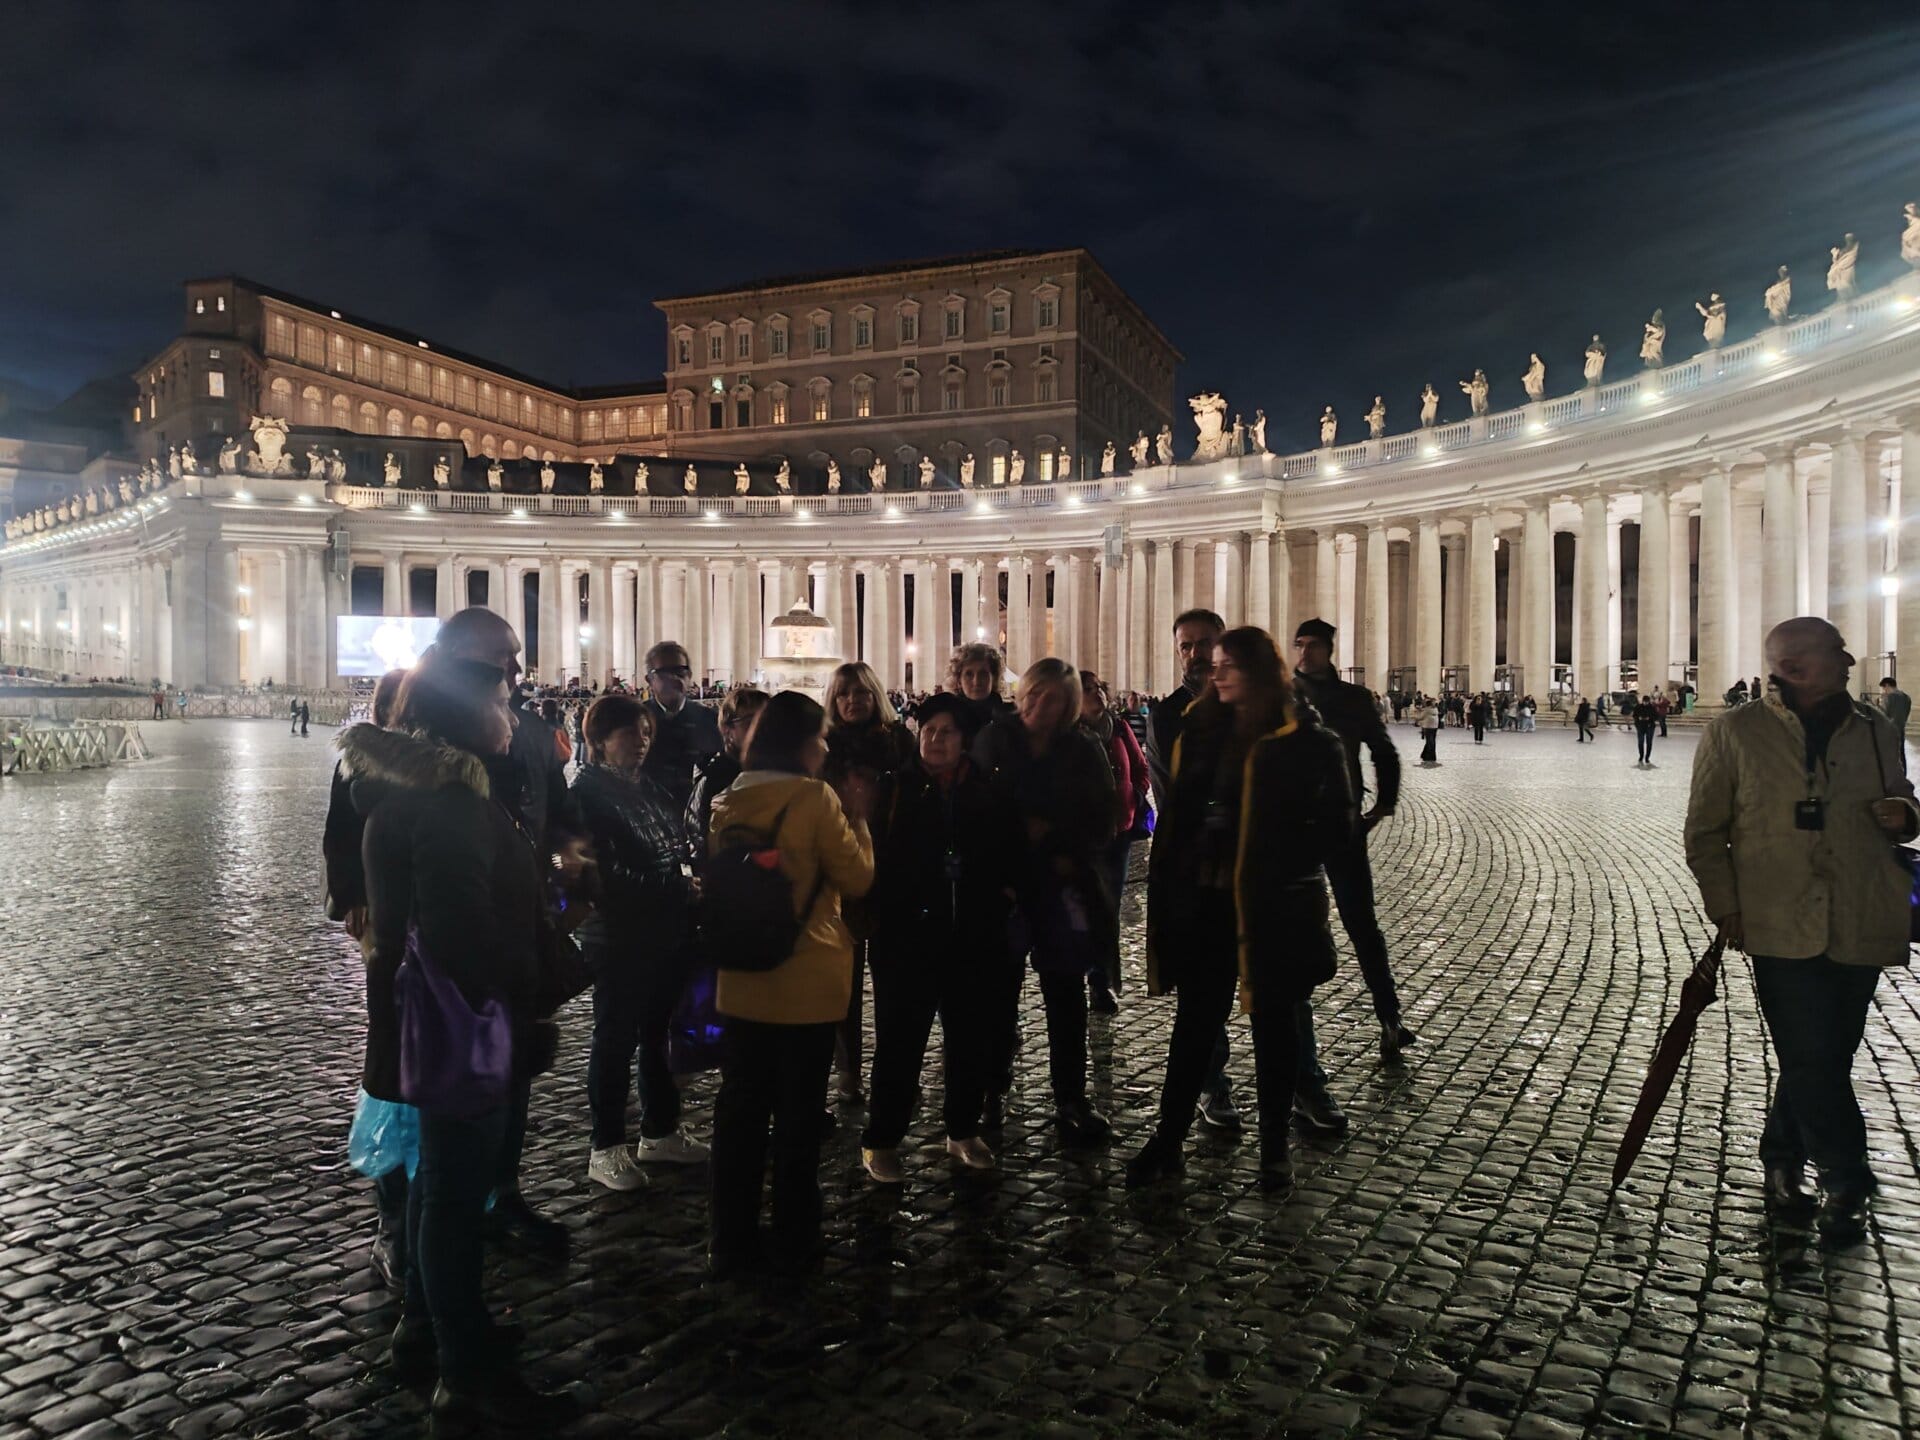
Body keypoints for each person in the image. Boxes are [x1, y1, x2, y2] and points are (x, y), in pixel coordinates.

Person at [343, 650, 582, 1427]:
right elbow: (465, 940)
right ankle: (465, 1374)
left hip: (430, 1022)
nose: (512, 716)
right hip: (462, 1027)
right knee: (452, 1199)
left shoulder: (424, 797)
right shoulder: (451, 810)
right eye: (502, 702)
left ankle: (430, 1329)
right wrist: (535, 997)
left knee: (436, 1191)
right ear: (464, 715)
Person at [1684, 617, 1917, 1244]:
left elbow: (1904, 797)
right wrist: (1726, 907)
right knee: (1812, 1053)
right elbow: (1704, 833)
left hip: (1860, 911)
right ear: (1793, 666)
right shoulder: (1735, 732)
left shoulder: (1876, 728)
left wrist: (1905, 814)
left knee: (1823, 1054)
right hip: (1777, 916)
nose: (1849, 659)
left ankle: (1782, 1160)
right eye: (1835, 651)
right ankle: (1846, 1177)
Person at [1129, 627, 1355, 1192]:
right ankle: (1168, 1138)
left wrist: (1272, 846)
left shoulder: (1307, 741)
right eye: (1215, 665)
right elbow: (1178, 817)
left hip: (1271, 905)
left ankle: (1274, 1147)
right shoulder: (1200, 730)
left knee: (1275, 1027)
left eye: (1228, 664)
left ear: (1257, 671)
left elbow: (1336, 828)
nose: (1217, 673)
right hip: (1207, 902)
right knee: (1194, 1025)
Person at [432, 610, 587, 1253]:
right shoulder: (415, 736)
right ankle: (410, 1224)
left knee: (513, 1075)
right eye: (504, 657)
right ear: (460, 658)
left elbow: (560, 815)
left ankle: (503, 1190)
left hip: (522, 929)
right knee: (434, 1089)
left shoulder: (532, 732)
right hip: (445, 942)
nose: (518, 670)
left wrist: (572, 863)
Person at [707, 692, 875, 1277]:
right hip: (806, 980)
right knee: (798, 1117)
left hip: (742, 976)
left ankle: (730, 1238)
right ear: (803, 743)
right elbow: (857, 876)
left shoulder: (728, 798)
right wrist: (859, 818)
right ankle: (795, 1234)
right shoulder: (813, 797)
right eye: (821, 737)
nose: (825, 748)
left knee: (741, 1112)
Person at [860, 693, 1020, 1183]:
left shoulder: (986, 792)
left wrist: (1001, 899)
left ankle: (963, 1129)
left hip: (971, 935)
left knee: (969, 1038)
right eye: (929, 730)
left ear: (964, 740)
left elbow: (1007, 855)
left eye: (946, 731)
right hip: (906, 938)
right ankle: (881, 1139)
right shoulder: (894, 789)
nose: (935, 739)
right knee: (899, 1043)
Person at [974, 658, 1117, 1145]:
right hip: (1007, 886)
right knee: (998, 994)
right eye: (1033, 693)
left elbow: (1104, 816)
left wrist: (1053, 836)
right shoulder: (994, 739)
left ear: (1069, 705)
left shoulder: (1084, 747)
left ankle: (1071, 1097)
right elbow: (978, 812)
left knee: (1066, 993)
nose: (1038, 704)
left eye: (1051, 698)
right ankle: (991, 1089)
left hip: (1061, 881)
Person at [572, 695, 706, 1190]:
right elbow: (604, 875)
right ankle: (606, 1146)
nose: (641, 742)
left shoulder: (645, 786)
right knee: (615, 1039)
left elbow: (674, 841)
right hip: (618, 936)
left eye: (646, 733)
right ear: (599, 740)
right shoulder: (587, 795)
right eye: (630, 733)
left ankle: (660, 1130)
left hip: (663, 929)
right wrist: (676, 888)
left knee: (658, 1033)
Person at [1291, 617, 1415, 1067]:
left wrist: (1383, 807)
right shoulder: (1282, 694)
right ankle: (1297, 1037)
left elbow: (1384, 752)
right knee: (1294, 927)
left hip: (1341, 823)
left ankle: (1390, 1016)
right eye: (1299, 644)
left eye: (1313, 645)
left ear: (1329, 650)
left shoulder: (1354, 698)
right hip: (1292, 827)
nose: (1304, 652)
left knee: (1361, 922)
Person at [322, 668, 408, 1289]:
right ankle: (392, 1213)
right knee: (391, 1056)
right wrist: (351, 895)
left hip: (427, 923)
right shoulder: (359, 760)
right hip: (381, 919)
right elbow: (339, 835)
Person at [1144, 608, 1242, 1131]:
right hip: (1194, 868)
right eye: (1186, 645)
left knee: (1276, 983)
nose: (1195, 653)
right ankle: (1210, 1082)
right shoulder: (1167, 715)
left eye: (1204, 643)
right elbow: (1172, 795)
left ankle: (1303, 1081)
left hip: (1247, 864)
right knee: (1201, 988)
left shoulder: (1244, 705)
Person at [822, 661, 916, 1104]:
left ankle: (892, 1068)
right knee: (844, 979)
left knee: (893, 979)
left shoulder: (900, 741)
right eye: (844, 694)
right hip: (843, 869)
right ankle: (849, 1070)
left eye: (860, 692)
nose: (852, 701)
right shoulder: (825, 747)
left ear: (874, 695)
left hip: (893, 867)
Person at [1079, 670, 1150, 1014]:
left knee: (1109, 909)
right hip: (1085, 837)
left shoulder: (1118, 727)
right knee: (1089, 908)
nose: (1097, 693)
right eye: (1088, 689)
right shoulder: (1069, 734)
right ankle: (1086, 973)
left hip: (1120, 832)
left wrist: (1133, 795)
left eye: (1098, 688)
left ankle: (1101, 981)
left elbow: (1141, 767)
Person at [639, 641, 723, 815]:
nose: (674, 679)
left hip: (698, 813)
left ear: (689, 676)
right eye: (664, 673)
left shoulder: (710, 719)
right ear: (649, 680)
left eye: (680, 671)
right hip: (648, 812)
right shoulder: (636, 719)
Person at [688, 687, 770, 847]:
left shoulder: (775, 771)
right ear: (727, 729)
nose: (762, 730)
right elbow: (700, 838)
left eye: (768, 721)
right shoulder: (714, 779)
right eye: (750, 723)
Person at [947, 642, 1014, 741]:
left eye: (983, 674)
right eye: (969, 674)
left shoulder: (1010, 719)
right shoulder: (947, 720)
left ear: (994, 678)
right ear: (959, 680)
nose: (976, 681)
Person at [1631, 692, 1659, 766]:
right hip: (1640, 726)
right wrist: (1638, 720)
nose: (1645, 703)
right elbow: (1634, 715)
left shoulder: (1652, 708)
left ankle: (1647, 757)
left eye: (1647, 702)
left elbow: (1656, 716)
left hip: (1650, 726)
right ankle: (1641, 756)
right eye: (1644, 702)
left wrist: (1649, 718)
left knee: (1649, 742)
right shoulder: (1638, 707)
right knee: (1640, 741)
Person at [1415, 696, 1440, 765]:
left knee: (1431, 742)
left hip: (1433, 727)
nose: (1435, 703)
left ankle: (1427, 756)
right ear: (1430, 703)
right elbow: (1421, 717)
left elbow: (1420, 717)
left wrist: (1416, 715)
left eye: (1435, 702)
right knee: (1430, 742)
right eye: (1433, 702)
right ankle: (1428, 756)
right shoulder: (1427, 710)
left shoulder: (1434, 709)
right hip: (1428, 727)